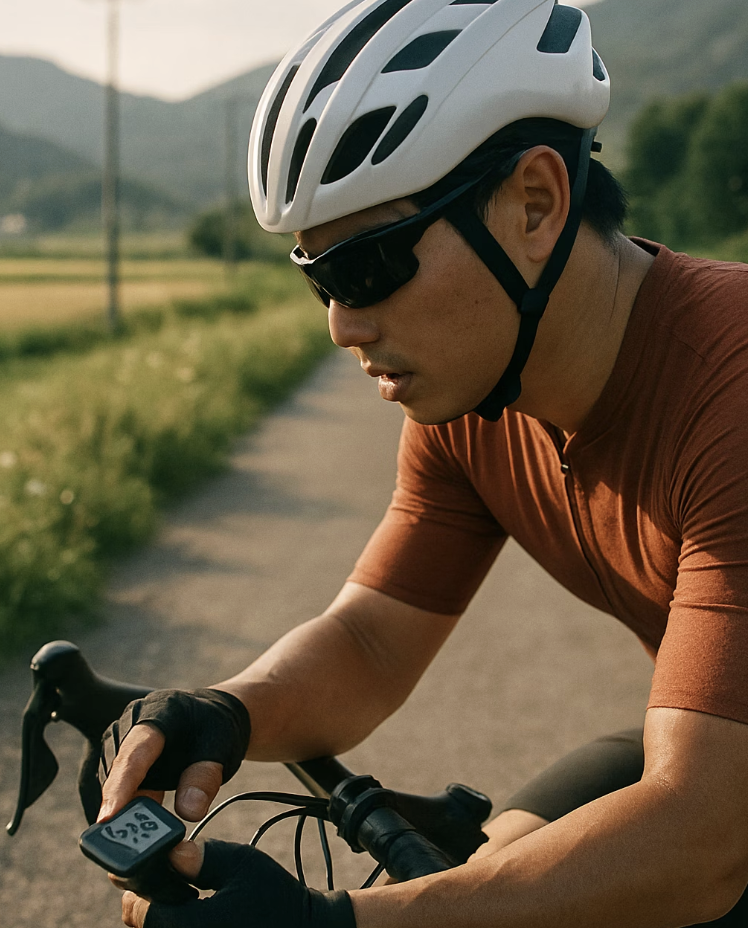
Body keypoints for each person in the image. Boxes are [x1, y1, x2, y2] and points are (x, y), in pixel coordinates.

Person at [98, 1, 748, 925]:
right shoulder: (473, 397)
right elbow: (370, 641)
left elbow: (701, 835)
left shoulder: (731, 382)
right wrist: (227, 712)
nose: (341, 325)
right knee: (497, 868)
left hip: (716, 796)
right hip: (721, 761)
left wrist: (338, 924)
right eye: (318, 278)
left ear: (535, 204)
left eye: (367, 267)